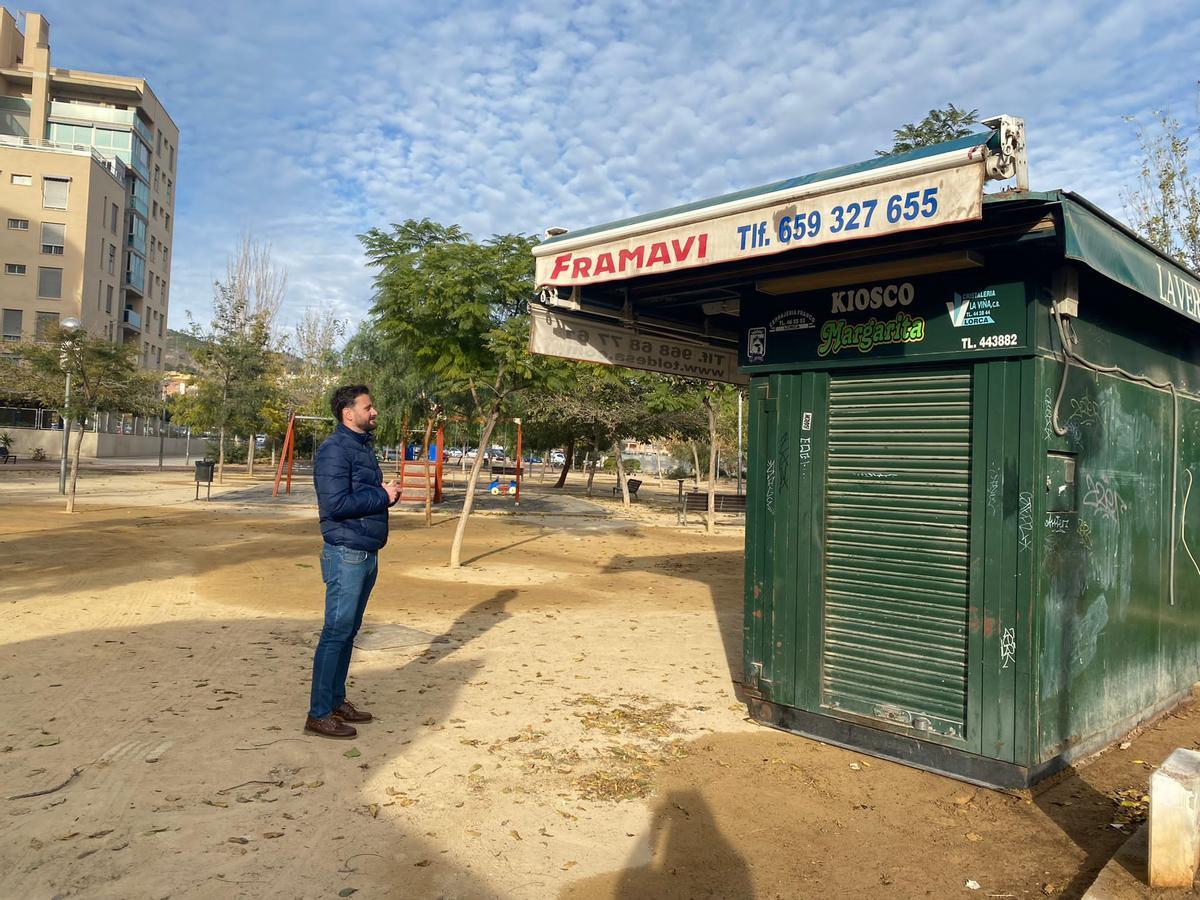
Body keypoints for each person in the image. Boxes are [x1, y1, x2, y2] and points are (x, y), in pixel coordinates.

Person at [305, 385, 401, 738]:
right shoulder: (335, 450)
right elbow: (335, 505)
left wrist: (381, 494)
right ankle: (318, 713)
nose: (374, 412)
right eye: (368, 407)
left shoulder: (360, 448)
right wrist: (382, 495)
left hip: (364, 550)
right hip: (346, 553)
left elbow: (356, 496)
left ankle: (335, 701)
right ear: (349, 413)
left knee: (348, 631)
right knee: (336, 631)